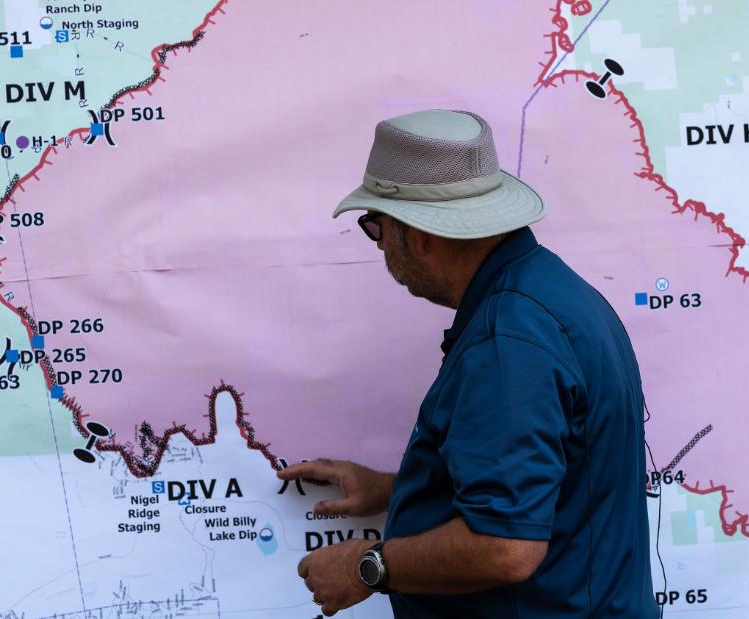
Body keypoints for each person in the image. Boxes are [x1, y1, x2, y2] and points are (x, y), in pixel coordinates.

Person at [279, 109, 657, 618]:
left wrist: (365, 565)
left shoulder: (509, 341)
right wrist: (397, 489)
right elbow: (550, 483)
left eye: (376, 226)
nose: (379, 244)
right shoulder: (552, 295)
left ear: (418, 235)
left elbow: (505, 548)